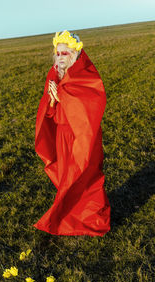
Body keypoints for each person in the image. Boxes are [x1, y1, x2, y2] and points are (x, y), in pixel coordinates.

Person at [33, 30, 110, 236]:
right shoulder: (55, 75)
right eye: (57, 53)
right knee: (67, 177)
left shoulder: (85, 74)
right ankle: (71, 217)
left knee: (86, 175)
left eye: (64, 53)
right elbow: (50, 112)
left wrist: (62, 97)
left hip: (83, 137)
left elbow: (90, 105)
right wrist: (51, 100)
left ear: (74, 54)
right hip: (63, 137)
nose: (60, 57)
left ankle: (94, 220)